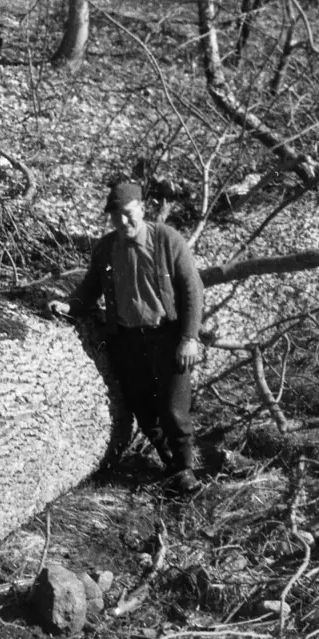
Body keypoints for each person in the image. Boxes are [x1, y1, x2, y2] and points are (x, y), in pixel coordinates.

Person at [49, 181, 204, 493]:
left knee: (174, 411)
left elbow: (192, 289)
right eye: (116, 216)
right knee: (143, 410)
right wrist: (70, 306)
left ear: (142, 210)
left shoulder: (166, 240)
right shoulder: (107, 248)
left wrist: (189, 337)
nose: (123, 222)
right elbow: (90, 288)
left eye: (128, 214)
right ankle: (169, 465)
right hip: (128, 341)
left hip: (168, 337)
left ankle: (186, 470)